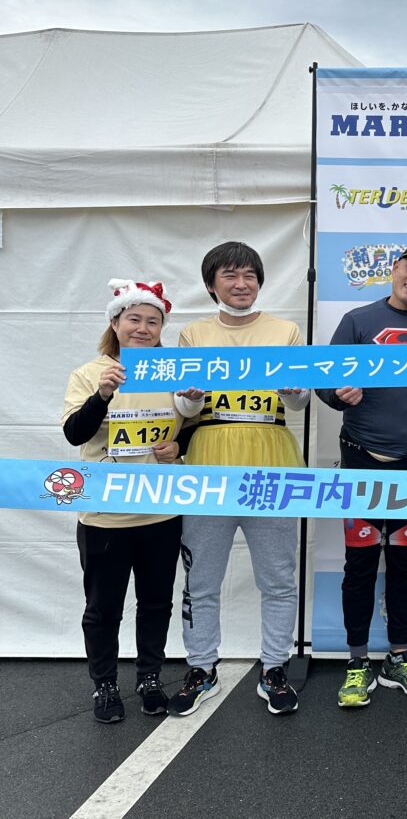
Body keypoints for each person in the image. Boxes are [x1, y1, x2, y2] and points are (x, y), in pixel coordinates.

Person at [167, 242, 308, 716]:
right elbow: (186, 406)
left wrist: (294, 391)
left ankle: (274, 667)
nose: (241, 283)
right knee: (202, 578)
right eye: (230, 275)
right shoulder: (194, 333)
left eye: (249, 275)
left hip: (273, 457)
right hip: (209, 458)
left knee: (278, 578)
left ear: (260, 281)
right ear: (212, 285)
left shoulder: (285, 330)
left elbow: (299, 401)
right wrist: (190, 397)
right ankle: (201, 667)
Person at [316, 243, 407, 707]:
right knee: (360, 565)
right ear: (394, 269)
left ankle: (399, 655)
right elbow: (324, 379)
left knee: (406, 566)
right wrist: (338, 395)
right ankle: (356, 662)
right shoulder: (357, 320)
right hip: (360, 461)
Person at [62, 279, 189, 723]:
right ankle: (105, 684)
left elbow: (193, 426)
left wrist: (180, 447)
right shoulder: (89, 373)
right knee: (103, 608)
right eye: (134, 319)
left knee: (156, 602)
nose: (143, 328)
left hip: (161, 510)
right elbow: (74, 433)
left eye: (153, 321)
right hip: (105, 515)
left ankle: (149, 678)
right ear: (115, 323)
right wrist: (102, 395)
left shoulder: (173, 372)